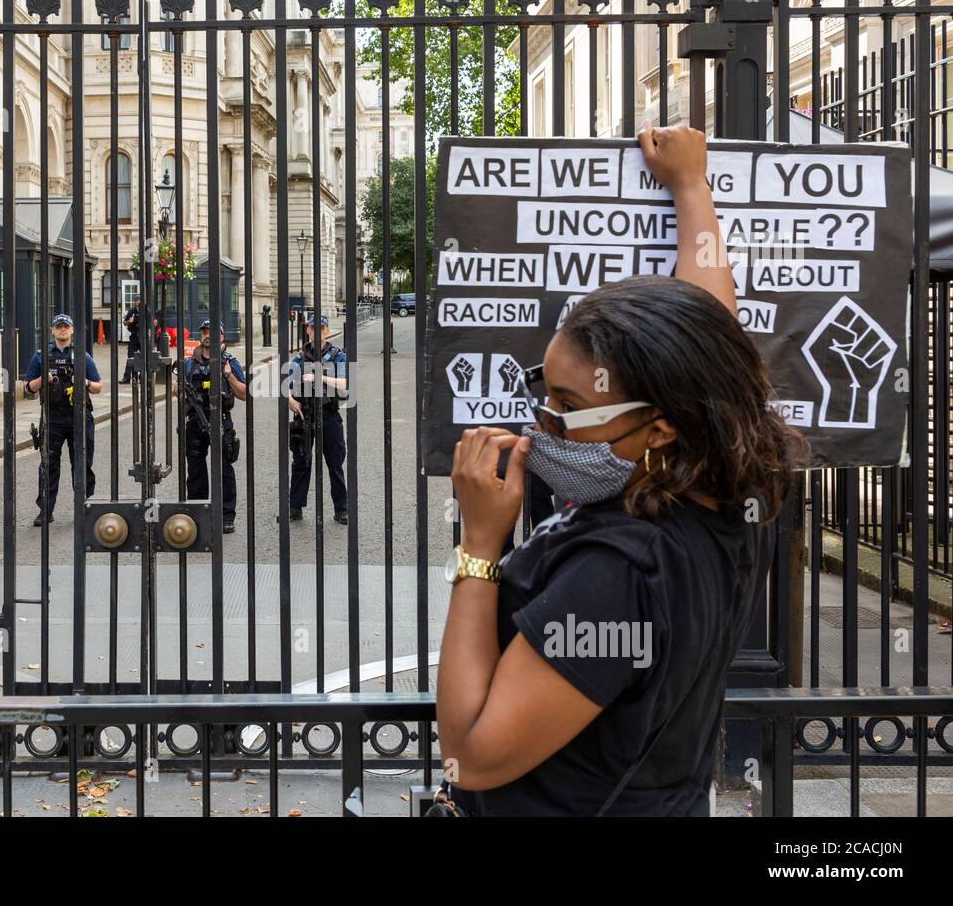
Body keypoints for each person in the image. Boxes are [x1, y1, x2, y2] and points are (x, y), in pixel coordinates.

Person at [434, 124, 807, 816]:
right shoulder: (721, 487)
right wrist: (691, 189)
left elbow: (471, 755)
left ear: (660, 426)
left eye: (568, 404)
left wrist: (480, 549)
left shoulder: (616, 576)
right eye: (545, 392)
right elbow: (707, 333)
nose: (543, 420)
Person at [24, 313, 103, 526]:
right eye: (58, 327)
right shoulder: (41, 357)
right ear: (52, 330)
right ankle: (45, 511)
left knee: (81, 464)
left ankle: (83, 508)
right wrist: (43, 379)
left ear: (72, 330)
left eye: (65, 327)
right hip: (53, 418)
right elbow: (28, 388)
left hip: (79, 417)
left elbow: (98, 387)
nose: (62, 330)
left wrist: (84, 382)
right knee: (48, 465)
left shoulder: (82, 356)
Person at [183, 319, 246, 534]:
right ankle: (197, 513)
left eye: (212, 332)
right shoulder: (189, 363)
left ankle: (226, 516)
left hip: (221, 421)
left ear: (221, 336)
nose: (207, 335)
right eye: (204, 332)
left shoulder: (229, 361)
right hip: (195, 421)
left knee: (225, 470)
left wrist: (228, 375)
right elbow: (180, 391)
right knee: (196, 470)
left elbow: (244, 394)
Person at [287, 313, 349, 524]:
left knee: (335, 464)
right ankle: (294, 508)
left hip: (329, 415)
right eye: (313, 328)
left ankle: (342, 509)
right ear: (308, 330)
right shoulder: (299, 357)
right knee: (301, 462)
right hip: (304, 414)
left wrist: (319, 375)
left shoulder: (338, 356)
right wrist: (290, 401)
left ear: (327, 331)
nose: (317, 331)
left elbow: (345, 384)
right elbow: (286, 386)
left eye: (321, 328)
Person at [120, 296, 152, 383]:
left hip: (143, 337)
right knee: (130, 357)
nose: (138, 302)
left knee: (144, 357)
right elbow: (125, 323)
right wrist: (129, 322)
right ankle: (126, 378)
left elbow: (149, 324)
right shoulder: (131, 311)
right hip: (134, 336)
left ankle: (142, 377)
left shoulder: (146, 312)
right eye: (136, 301)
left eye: (139, 301)